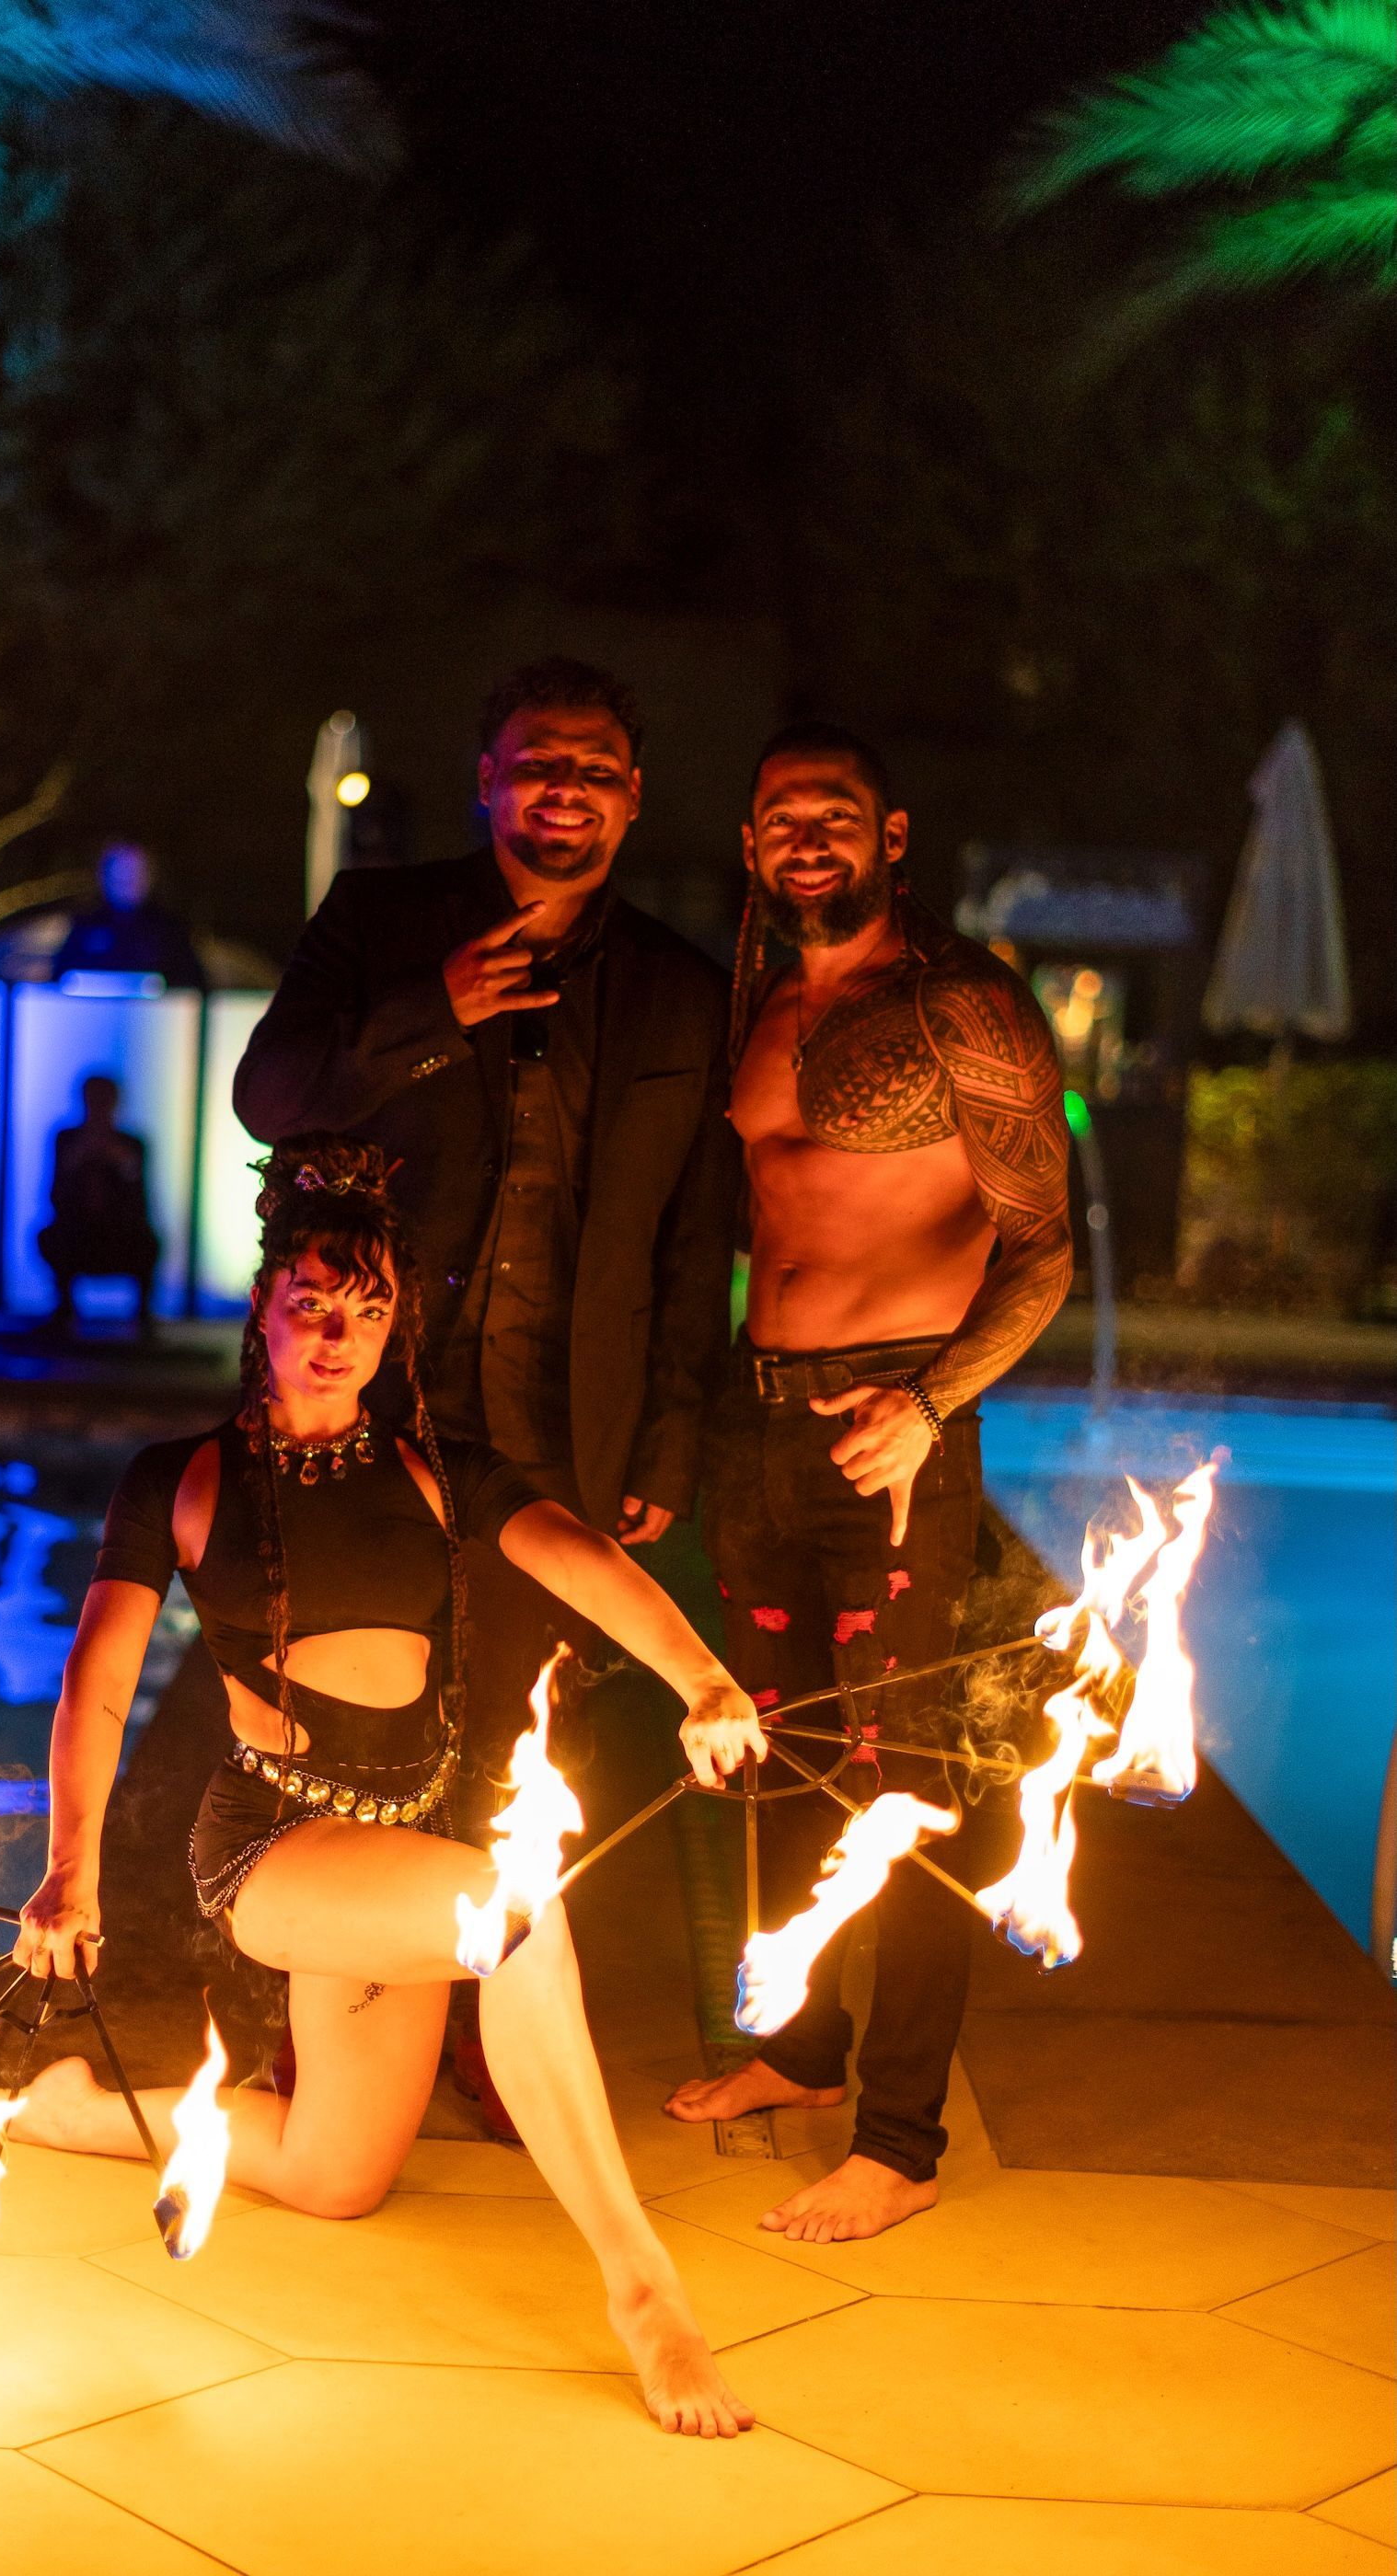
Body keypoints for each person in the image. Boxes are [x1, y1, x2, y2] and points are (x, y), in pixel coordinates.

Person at [0, 1137, 766, 2438]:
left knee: (334, 2176)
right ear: (263, 1306)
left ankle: (81, 2116)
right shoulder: (184, 1478)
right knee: (513, 1912)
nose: (336, 1334)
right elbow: (93, 1687)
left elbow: (576, 1558)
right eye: (312, 1304)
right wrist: (71, 1869)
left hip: (396, 1852)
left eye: (367, 1309)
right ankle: (644, 2291)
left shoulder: (433, 1464)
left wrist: (701, 1678)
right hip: (270, 1848)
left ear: (396, 1326)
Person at [232, 659, 738, 2126]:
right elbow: (270, 1096)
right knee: (342, 1714)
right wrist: (425, 1009)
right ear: (485, 779)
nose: (559, 787)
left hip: (552, 1420)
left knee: (524, 1730)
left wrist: (669, 1429)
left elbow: (692, 1236)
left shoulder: (675, 992)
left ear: (631, 796)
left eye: (591, 765)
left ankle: (482, 2033)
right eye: (533, 761)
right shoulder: (382, 925)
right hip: (368, 1413)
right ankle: (329, 2016)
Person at [664, 724, 1071, 2243]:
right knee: (772, 1757)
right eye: (779, 814)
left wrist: (929, 1403)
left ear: (891, 834)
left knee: (907, 1792)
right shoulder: (754, 1006)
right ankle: (800, 2050)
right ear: (752, 841)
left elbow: (1044, 1250)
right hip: (754, 1422)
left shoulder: (965, 1007)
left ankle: (899, 2140)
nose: (803, 835)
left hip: (895, 1425)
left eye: (832, 811)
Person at [37, 1073, 160, 1332]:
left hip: (121, 1234)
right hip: (77, 1232)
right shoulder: (67, 1139)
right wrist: (82, 1154)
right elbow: (55, 1192)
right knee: (51, 1237)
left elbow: (141, 1197)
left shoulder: (131, 1144)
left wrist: (119, 1160)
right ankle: (64, 1307)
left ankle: (143, 1313)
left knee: (149, 1242)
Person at [52, 840, 205, 989]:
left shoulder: (171, 930)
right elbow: (60, 982)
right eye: (120, 872)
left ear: (150, 877)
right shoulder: (84, 925)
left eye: (135, 873)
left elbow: (193, 986)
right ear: (104, 876)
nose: (127, 880)